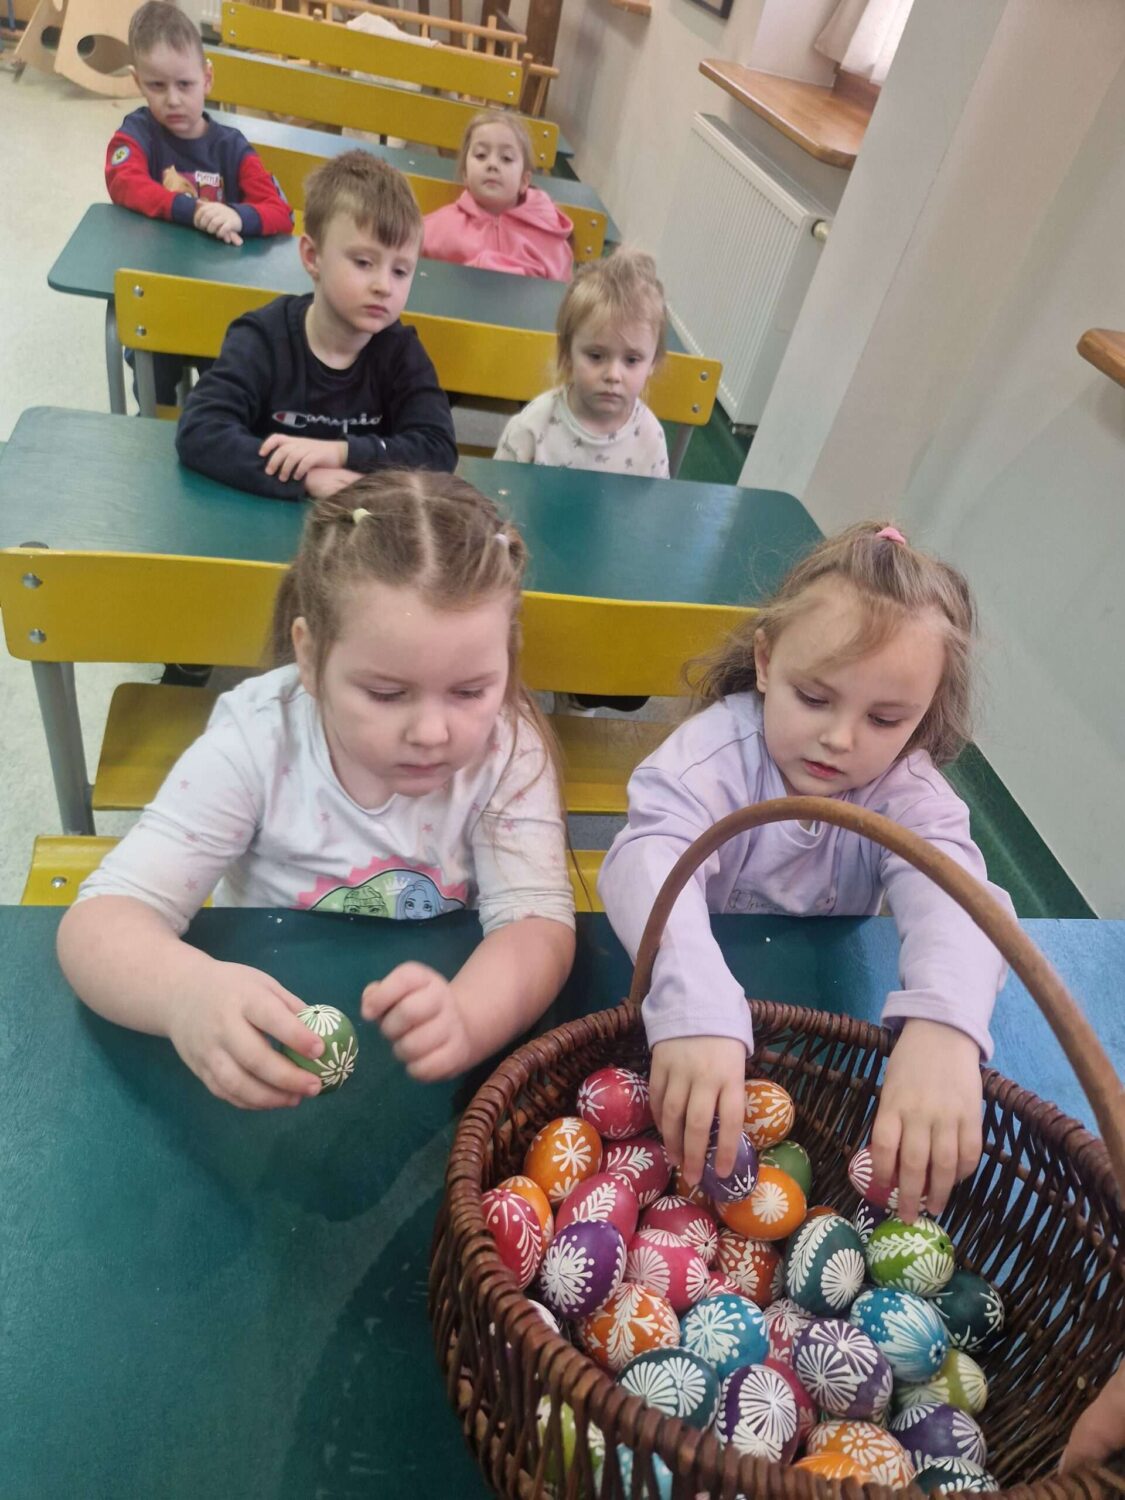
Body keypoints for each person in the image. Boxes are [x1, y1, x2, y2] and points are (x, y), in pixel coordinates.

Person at [57, 471, 576, 1108]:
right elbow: (100, 923)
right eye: (386, 693)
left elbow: (536, 925)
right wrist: (183, 993)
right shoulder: (256, 742)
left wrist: (471, 1015)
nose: (432, 732)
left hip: (431, 1032)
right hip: (261, 1023)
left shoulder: (507, 749)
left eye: (471, 691)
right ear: (308, 656)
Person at [599, 521, 1016, 1217]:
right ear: (765, 663)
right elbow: (645, 858)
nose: (839, 738)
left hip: (818, 1044)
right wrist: (692, 992)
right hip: (689, 1007)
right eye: (815, 698)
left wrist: (945, 1024)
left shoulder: (904, 791)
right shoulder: (714, 756)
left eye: (885, 719)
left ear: (922, 715)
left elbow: (959, 896)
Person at [176, 151, 457, 501]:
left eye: (400, 271)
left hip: (358, 528)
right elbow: (201, 430)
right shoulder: (263, 338)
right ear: (312, 257)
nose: (384, 285)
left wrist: (342, 452)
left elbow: (438, 450)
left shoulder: (401, 351)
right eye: (364, 262)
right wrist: (305, 478)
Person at [105, 0, 293, 406]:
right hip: (156, 299)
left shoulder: (232, 147)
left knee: (226, 394)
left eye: (185, 84)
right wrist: (191, 211)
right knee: (155, 393)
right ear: (138, 82)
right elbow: (124, 181)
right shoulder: (138, 132)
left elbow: (281, 213)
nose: (173, 99)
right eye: (157, 86)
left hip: (220, 305)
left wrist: (237, 216)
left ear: (207, 78)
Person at [494, 249, 669, 477]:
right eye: (596, 356)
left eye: (631, 360)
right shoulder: (533, 426)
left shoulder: (650, 437)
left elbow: (656, 498)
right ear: (567, 351)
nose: (613, 375)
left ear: (653, 362)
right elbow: (499, 490)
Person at [422, 110, 573, 281]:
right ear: (465, 174)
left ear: (524, 180)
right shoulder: (444, 225)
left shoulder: (546, 232)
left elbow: (560, 290)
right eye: (481, 155)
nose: (492, 164)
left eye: (506, 158)